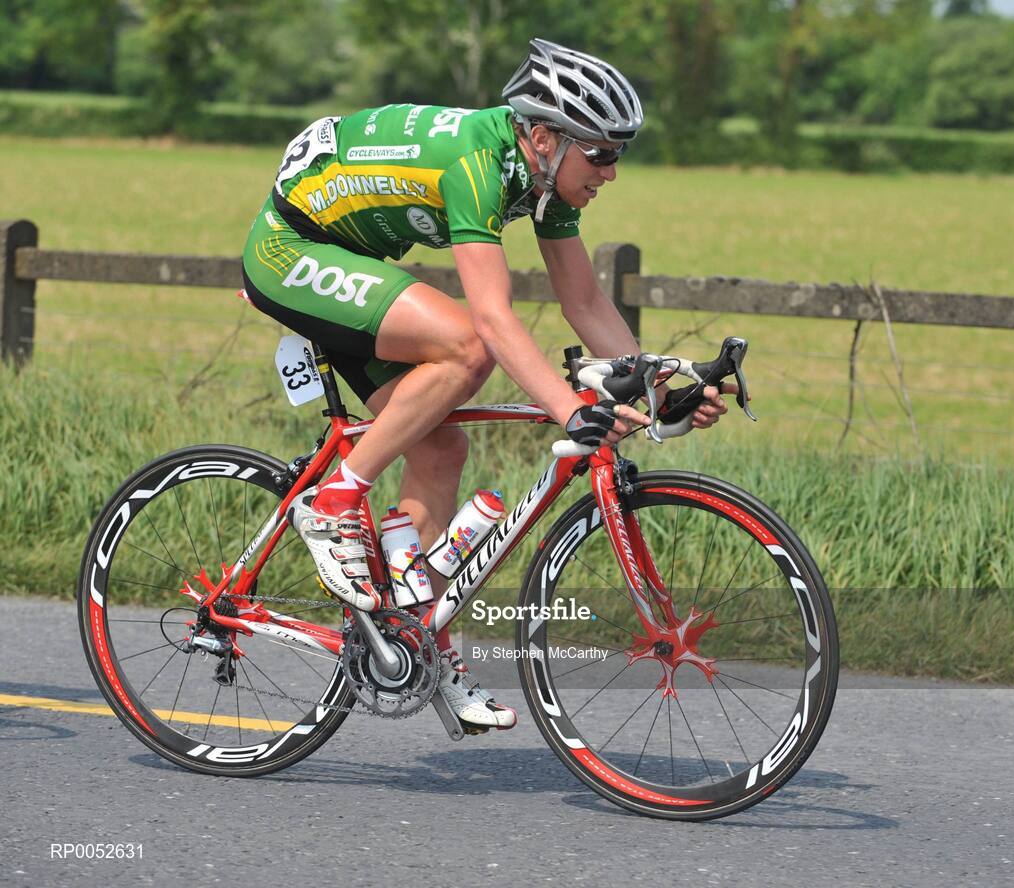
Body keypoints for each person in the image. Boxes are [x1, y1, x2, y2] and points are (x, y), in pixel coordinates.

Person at [241, 38, 733, 732]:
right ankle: (335, 501)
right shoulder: (478, 162)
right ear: (544, 137)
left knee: (439, 449)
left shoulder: (542, 178)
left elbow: (585, 303)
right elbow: (494, 321)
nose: (612, 172)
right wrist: (568, 409)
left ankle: (423, 649)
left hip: (351, 257)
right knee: (467, 347)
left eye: (619, 153)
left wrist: (656, 390)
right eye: (602, 152)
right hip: (288, 251)